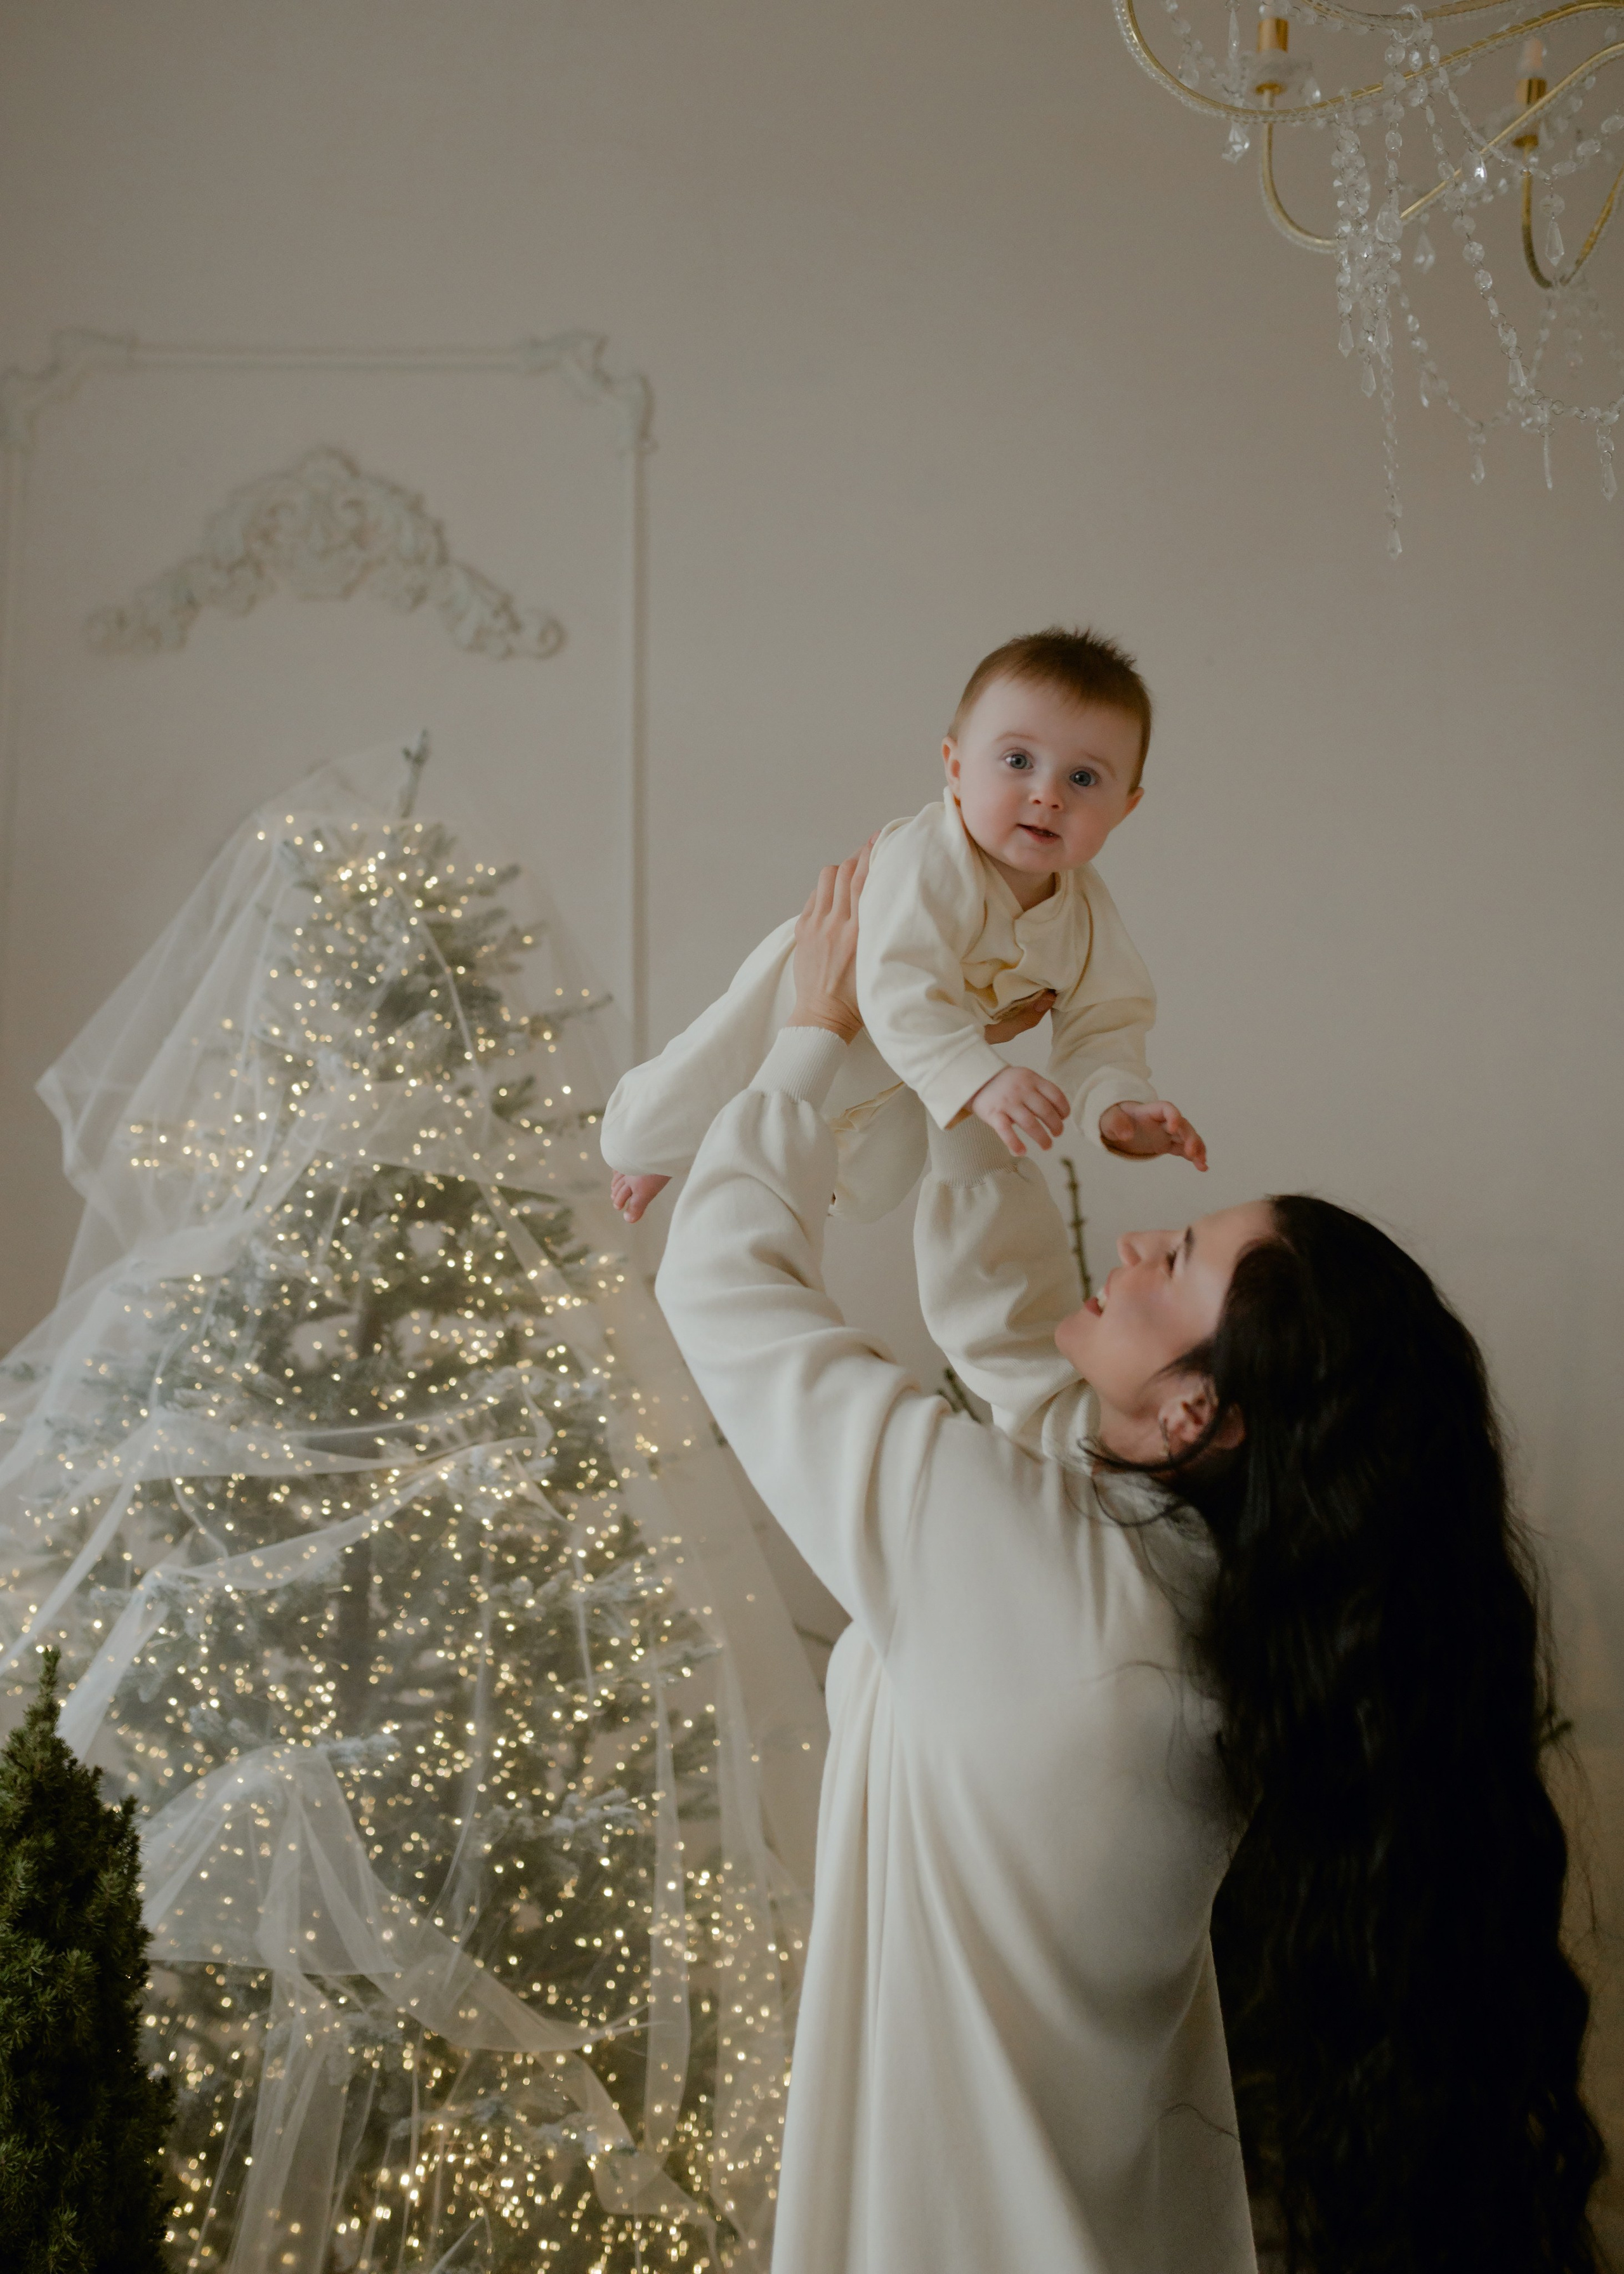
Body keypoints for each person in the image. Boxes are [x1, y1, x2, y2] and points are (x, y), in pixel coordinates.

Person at [654, 848, 1602, 2274]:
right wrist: (976, 1089)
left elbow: (721, 1283)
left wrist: (812, 1032)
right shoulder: (1198, 1589)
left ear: (1195, 1414)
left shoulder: (1034, 1570)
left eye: (1181, 1266)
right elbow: (1019, 1329)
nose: (1144, 1237)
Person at [603, 627, 1207, 1227]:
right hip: (804, 1011)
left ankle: (721, 1157)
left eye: (1084, 778)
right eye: (1018, 761)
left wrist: (1116, 1105)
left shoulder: (1086, 912)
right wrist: (980, 1081)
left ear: (1126, 806)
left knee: (867, 1182)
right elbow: (898, 982)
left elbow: (1107, 1020)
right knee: (677, 1110)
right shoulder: (930, 858)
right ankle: (658, 1154)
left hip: (904, 1069)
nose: (1047, 795)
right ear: (956, 767)